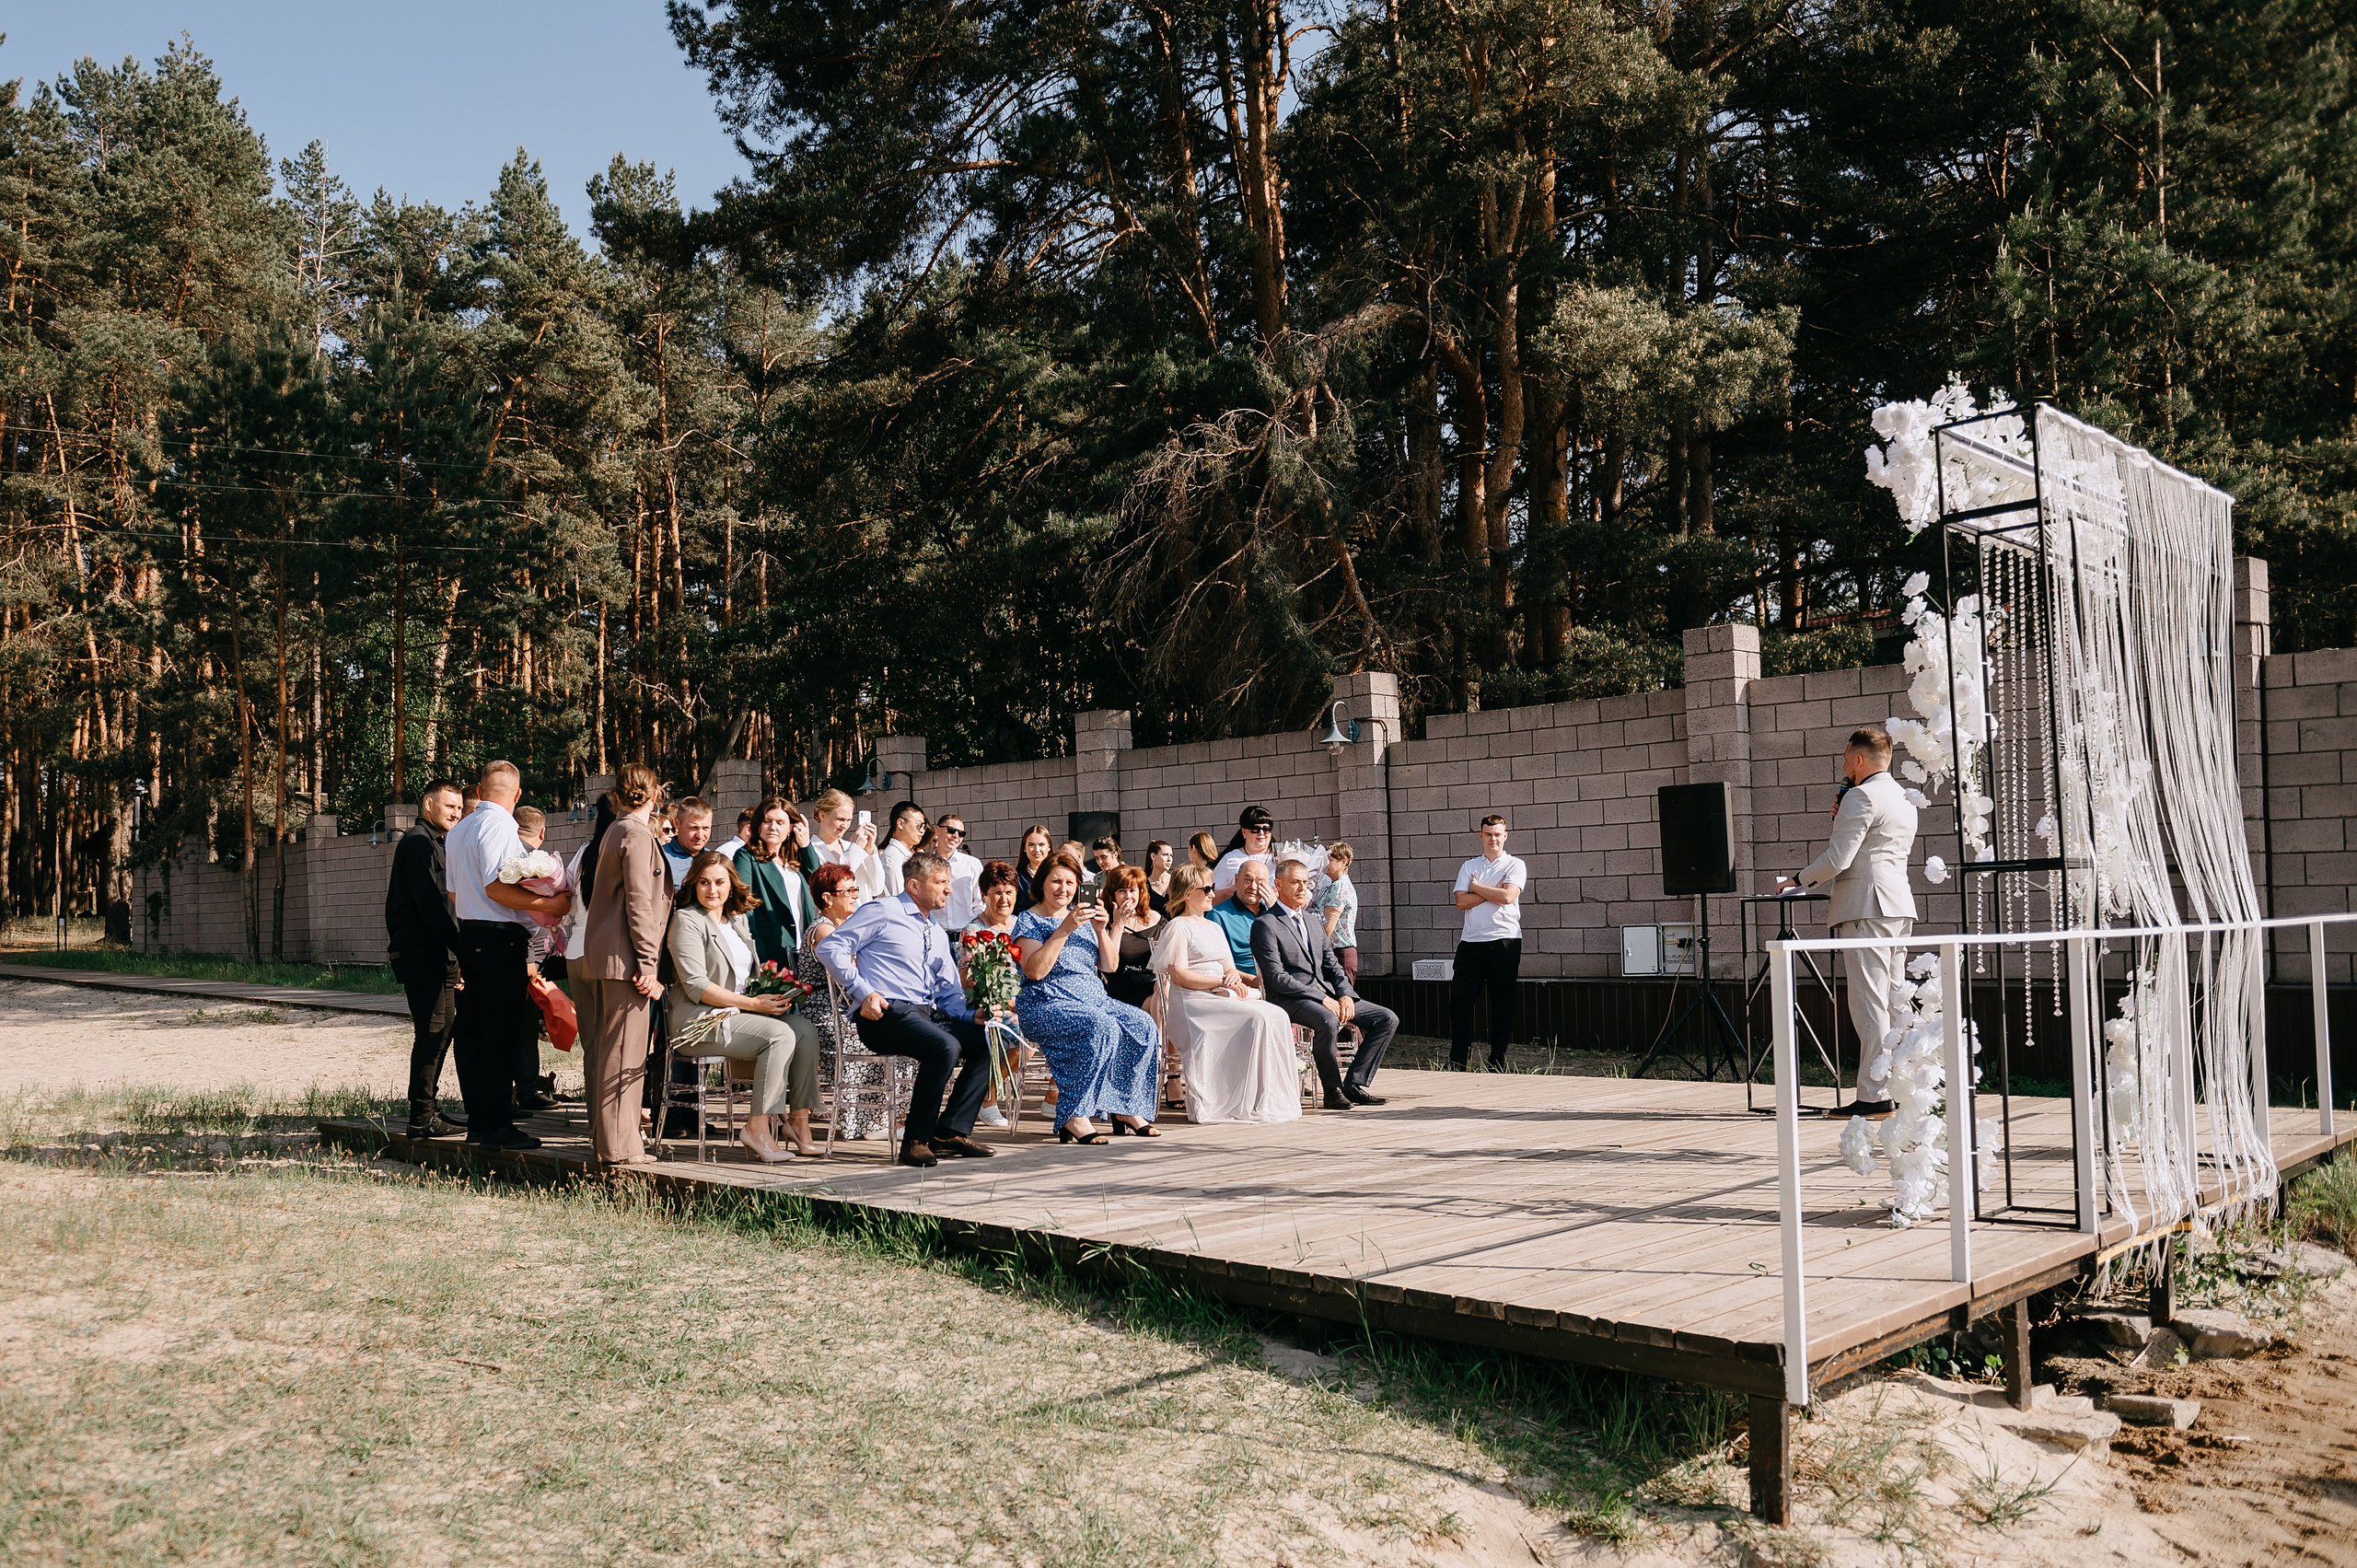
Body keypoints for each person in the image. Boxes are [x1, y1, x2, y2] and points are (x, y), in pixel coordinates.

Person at [817, 851, 998, 1167]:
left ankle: (950, 1131)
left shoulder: (938, 932)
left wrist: (972, 1016)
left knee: (986, 1041)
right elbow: (830, 946)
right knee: (945, 1047)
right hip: (884, 1014)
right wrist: (863, 991)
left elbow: (948, 993)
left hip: (925, 1015)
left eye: (949, 882)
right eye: (940, 882)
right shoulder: (883, 911)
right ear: (914, 885)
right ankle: (915, 1140)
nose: (948, 889)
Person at [1777, 725, 1920, 1120]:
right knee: (1893, 999)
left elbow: (1840, 858)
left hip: (1865, 907)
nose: (1844, 766)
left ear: (1858, 760)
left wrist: (1798, 880)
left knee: (1870, 1002)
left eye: (1845, 760)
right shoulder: (1904, 799)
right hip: (1898, 905)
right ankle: (1896, 1086)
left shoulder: (1861, 796)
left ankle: (1873, 1097)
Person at [444, 761, 572, 1149]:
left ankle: (479, 1120)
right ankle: (496, 1125)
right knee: (500, 1033)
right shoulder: (500, 825)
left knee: (472, 1033)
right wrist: (549, 906)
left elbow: (454, 893)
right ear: (516, 796)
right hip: (500, 939)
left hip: (470, 933)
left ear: (480, 791)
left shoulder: (460, 828)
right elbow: (497, 888)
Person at [668, 850, 820, 1160]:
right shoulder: (686, 921)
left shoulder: (735, 920)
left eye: (719, 882)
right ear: (694, 885)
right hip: (700, 1021)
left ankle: (798, 1121)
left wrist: (774, 995)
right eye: (704, 883)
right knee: (780, 1036)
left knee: (803, 1029)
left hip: (741, 1012)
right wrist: (753, 1003)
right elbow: (696, 985)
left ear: (731, 884)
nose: (712, 890)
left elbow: (746, 975)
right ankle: (757, 1127)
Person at [1013, 855, 1164, 1144]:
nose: (1063, 888)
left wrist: (1104, 928)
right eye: (1056, 881)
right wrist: (1065, 928)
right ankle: (1073, 1114)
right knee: (1100, 1026)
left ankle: (1125, 1108)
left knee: (1142, 1024)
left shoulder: (1082, 919)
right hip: (1047, 1002)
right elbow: (1035, 970)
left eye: (1070, 883)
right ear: (1041, 884)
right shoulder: (1029, 920)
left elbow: (1109, 966)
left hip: (1094, 1000)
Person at [576, 763, 673, 1166]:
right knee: (624, 1053)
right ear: (655, 796)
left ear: (617, 795)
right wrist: (649, 964)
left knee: (612, 1049)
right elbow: (639, 902)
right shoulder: (634, 833)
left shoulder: (615, 830)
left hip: (609, 955)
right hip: (627, 960)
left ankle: (614, 1139)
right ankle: (619, 1147)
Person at [1151, 865, 1300, 1124]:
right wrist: (1219, 981)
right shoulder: (1178, 927)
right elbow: (1179, 976)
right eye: (1207, 889)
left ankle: (1261, 1096)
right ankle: (1238, 1096)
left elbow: (1228, 965)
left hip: (1220, 996)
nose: (1213, 893)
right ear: (1187, 894)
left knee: (1276, 1014)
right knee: (1257, 1018)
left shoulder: (1213, 927)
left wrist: (1231, 976)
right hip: (1192, 1002)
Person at [1254, 857, 1399, 1109]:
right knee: (1328, 1020)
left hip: (1328, 994)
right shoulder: (1266, 925)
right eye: (1295, 883)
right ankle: (1332, 1091)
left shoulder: (1312, 921)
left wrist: (1345, 995)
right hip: (1290, 999)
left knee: (1386, 1018)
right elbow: (1277, 977)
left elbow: (1332, 966)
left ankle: (1354, 1084)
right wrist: (1321, 998)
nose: (1302, 888)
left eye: (1306, 883)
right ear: (1278, 884)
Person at [385, 778, 468, 1137]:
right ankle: (420, 1116)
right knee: (433, 1032)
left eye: (460, 808)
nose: (456, 812)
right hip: (424, 955)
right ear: (428, 806)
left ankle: (427, 1110)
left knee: (444, 1028)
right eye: (450, 806)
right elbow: (433, 906)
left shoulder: (437, 843)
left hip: (440, 954)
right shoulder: (418, 843)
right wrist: (464, 949)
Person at [804, 861, 885, 1140]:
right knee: (865, 1040)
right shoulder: (823, 930)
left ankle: (877, 1117)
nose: (855, 895)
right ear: (827, 898)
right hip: (824, 1011)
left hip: (849, 1007)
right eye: (848, 890)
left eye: (855, 888)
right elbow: (845, 976)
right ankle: (861, 1121)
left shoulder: (849, 928)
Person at [1450, 815, 1527, 1071]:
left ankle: (1497, 1061)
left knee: (1502, 1003)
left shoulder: (1515, 865)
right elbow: (1461, 902)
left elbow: (1507, 897)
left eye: (1498, 834)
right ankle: (1458, 1061)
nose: (1493, 839)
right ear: (1480, 836)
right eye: (1488, 834)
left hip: (1504, 941)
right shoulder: (1468, 866)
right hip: (1471, 943)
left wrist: (1476, 888)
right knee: (1460, 1003)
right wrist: (1489, 889)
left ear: (1505, 836)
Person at [958, 858, 1026, 1128]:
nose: (1003, 898)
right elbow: (968, 979)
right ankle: (988, 1100)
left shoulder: (1021, 925)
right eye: (997, 892)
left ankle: (1054, 1097)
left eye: (1009, 892)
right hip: (986, 1003)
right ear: (985, 895)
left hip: (1021, 1002)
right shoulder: (973, 931)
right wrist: (1003, 999)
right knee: (1018, 1034)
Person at [509, 805, 558, 1110]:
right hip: (526, 953)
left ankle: (524, 1088)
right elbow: (525, 918)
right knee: (524, 1024)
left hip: (516, 950)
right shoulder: (528, 863)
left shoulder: (509, 856)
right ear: (541, 833)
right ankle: (526, 1090)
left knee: (521, 1023)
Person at [734, 796, 820, 967]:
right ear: (758, 825)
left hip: (803, 946)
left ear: (790, 828)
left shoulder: (796, 858)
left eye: (780, 822)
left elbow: (817, 881)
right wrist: (758, 953)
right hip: (770, 947)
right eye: (767, 821)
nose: (773, 827)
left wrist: (806, 846)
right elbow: (743, 906)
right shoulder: (746, 856)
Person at [1100, 865, 1163, 1008]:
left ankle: (1160, 1031)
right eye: (1122, 891)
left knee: (1162, 990)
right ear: (1113, 895)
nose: (1128, 896)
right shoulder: (1104, 922)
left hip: (1154, 984)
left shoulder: (1155, 918)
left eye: (1132, 890)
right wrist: (1118, 924)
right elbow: (1109, 966)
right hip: (1125, 991)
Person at [1204, 858, 1274, 986]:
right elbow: (1215, 964)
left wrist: (1276, 912)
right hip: (1244, 986)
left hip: (1279, 981)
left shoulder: (1272, 913)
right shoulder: (1218, 916)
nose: (1253, 887)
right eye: (1248, 880)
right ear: (1237, 880)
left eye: (1260, 882)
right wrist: (1254, 981)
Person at [808, 787, 887, 899]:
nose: (845, 826)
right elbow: (835, 885)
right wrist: (856, 849)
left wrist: (870, 852)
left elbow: (876, 888)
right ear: (822, 816)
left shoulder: (851, 847)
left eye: (848, 820)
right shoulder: (812, 851)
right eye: (840, 819)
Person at [928, 813, 984, 933]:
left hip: (965, 936)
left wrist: (972, 930)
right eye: (951, 830)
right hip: (934, 934)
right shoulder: (924, 864)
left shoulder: (973, 864)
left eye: (961, 833)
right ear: (937, 830)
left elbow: (979, 903)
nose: (956, 836)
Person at [1317, 842, 1361, 984]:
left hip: (1339, 953)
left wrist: (1314, 950)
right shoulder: (1333, 885)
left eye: (1329, 860)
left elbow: (1328, 925)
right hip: (1335, 952)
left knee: (1341, 1000)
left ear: (1343, 862)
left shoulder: (1339, 886)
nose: (1325, 864)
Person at [1212, 806, 1276, 899]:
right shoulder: (1230, 859)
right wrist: (1234, 890)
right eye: (1255, 829)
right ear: (1244, 832)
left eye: (1266, 829)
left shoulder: (1281, 856)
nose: (1261, 833)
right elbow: (1212, 895)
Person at [878, 799, 928, 896]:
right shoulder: (893, 856)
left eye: (924, 826)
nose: (922, 831)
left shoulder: (905, 853)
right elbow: (898, 895)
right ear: (901, 824)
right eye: (919, 825)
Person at [664, 796, 714, 879]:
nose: (700, 836)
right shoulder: (660, 858)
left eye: (705, 828)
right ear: (677, 823)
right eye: (693, 828)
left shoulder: (713, 860)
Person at [1014, 824, 1053, 910]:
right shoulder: (1016, 877)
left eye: (1041, 844)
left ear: (1049, 847)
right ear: (1025, 848)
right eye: (1031, 845)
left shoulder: (1057, 874)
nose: (1036, 850)